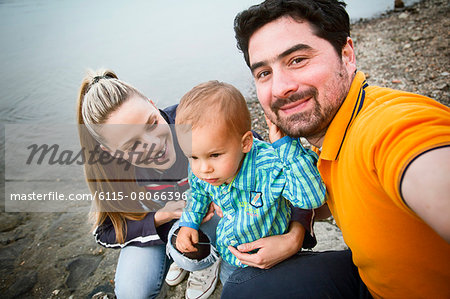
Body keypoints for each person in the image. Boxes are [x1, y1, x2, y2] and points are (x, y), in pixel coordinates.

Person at [221, 0, 450, 298]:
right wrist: (295, 232)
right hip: (372, 280)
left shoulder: (390, 127)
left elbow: (424, 160)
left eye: (297, 60)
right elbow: (325, 199)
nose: (279, 88)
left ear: (346, 54)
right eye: (264, 73)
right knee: (242, 286)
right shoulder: (328, 135)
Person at [77, 69, 317, 298]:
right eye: (131, 145)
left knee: (197, 239)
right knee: (133, 291)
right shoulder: (113, 170)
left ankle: (208, 257)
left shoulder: (196, 123)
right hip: (167, 226)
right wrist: (160, 216)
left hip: (220, 218)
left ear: (152, 105)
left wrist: (294, 237)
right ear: (111, 151)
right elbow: (106, 231)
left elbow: (275, 170)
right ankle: (193, 258)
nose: (153, 144)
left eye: (151, 123)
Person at [169, 81, 326, 284]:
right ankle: (216, 269)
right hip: (233, 253)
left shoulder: (269, 166)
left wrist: (287, 148)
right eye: (193, 157)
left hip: (276, 252)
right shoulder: (202, 169)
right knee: (231, 286)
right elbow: (198, 194)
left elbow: (312, 198)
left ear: (245, 143)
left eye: (215, 155)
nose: (203, 168)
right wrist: (189, 222)